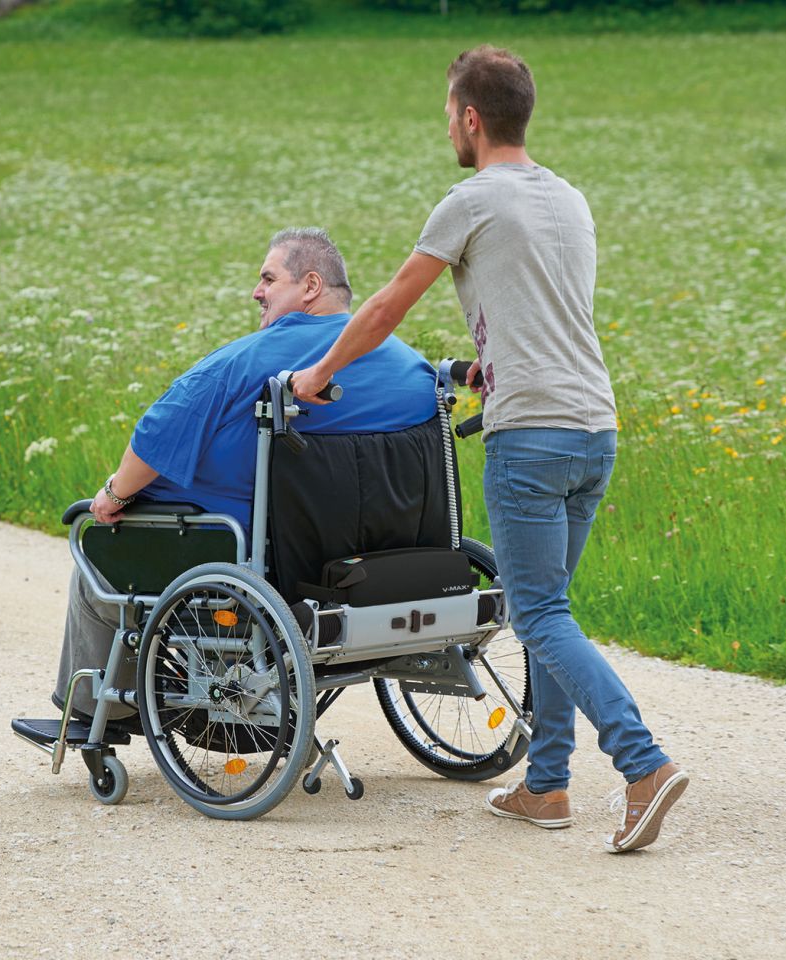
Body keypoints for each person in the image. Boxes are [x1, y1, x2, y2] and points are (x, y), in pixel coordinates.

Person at [291, 47, 688, 854]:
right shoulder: (568, 198)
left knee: (538, 613)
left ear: (471, 118)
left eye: (448, 112)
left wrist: (318, 372)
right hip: (594, 426)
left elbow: (386, 306)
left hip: (532, 435)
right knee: (553, 612)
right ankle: (546, 785)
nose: (447, 125)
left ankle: (642, 765)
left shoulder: (471, 200)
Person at [53, 227, 438, 725]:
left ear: (311, 286)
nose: (256, 291)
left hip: (254, 557)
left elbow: (153, 440)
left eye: (268, 278)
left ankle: (92, 717)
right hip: (377, 558)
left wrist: (109, 496)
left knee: (96, 555)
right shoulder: (412, 368)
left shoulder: (243, 363)